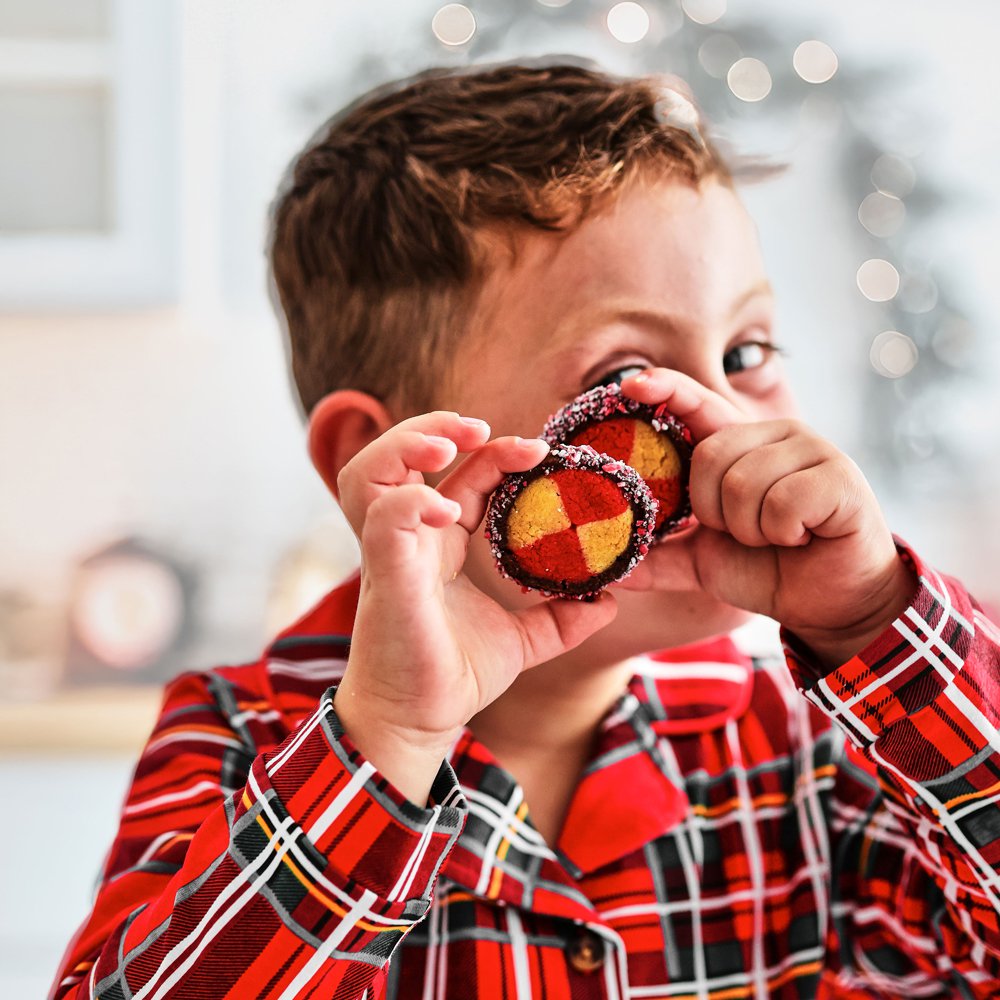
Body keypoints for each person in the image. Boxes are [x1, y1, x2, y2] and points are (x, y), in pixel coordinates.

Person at [51, 60, 1000, 999]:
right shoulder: (234, 742)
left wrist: (876, 618)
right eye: (618, 386)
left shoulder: (815, 757)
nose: (718, 429)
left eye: (745, 352)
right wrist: (385, 740)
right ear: (391, 455)